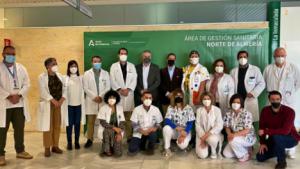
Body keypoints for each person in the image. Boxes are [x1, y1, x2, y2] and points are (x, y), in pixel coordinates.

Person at [263, 47, 300, 158]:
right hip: (273, 100)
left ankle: (291, 149)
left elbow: (298, 83)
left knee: (289, 125)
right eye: (278, 56)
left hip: (287, 101)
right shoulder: (268, 69)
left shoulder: (293, 68)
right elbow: (264, 83)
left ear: (285, 56)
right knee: (273, 124)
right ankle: (276, 147)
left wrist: (289, 93)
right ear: (274, 57)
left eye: (282, 56)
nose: (280, 58)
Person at [0, 46, 33, 166]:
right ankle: (0, 154)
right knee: (1, 130)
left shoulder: (21, 68)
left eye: (13, 54)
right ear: (3, 54)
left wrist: (18, 95)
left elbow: (27, 83)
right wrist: (9, 96)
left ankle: (20, 150)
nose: (11, 56)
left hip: (19, 104)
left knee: (19, 129)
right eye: (9, 54)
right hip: (4, 104)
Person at [256, 91, 300, 169]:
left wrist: (266, 132)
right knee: (260, 157)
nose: (275, 101)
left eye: (277, 99)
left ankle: (282, 162)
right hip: (273, 138)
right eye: (273, 99)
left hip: (291, 138)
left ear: (281, 99)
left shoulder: (290, 111)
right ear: (269, 100)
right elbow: (261, 128)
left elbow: (285, 131)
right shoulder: (265, 111)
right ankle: (280, 150)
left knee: (277, 137)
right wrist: (262, 143)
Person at [37, 57, 66, 157]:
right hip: (48, 103)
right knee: (48, 127)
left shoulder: (60, 76)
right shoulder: (42, 77)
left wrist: (61, 99)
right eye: (53, 64)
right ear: (47, 66)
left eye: (56, 63)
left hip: (59, 104)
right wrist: (53, 100)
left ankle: (55, 146)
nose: (56, 65)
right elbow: (43, 91)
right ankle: (47, 147)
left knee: (57, 126)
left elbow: (66, 88)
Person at [83, 55, 110, 148]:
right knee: (90, 122)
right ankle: (90, 139)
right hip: (91, 100)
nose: (96, 63)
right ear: (92, 62)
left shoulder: (106, 73)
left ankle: (105, 139)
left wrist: (101, 96)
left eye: (98, 61)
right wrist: (94, 97)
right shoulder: (87, 74)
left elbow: (108, 87)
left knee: (104, 121)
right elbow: (85, 87)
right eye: (95, 61)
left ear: (101, 62)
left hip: (102, 101)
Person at [110, 48, 137, 142]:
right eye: (121, 53)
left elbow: (134, 79)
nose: (123, 55)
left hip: (129, 94)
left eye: (125, 53)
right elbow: (112, 79)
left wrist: (128, 89)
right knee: (119, 117)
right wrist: (119, 90)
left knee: (129, 118)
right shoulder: (113, 66)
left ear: (127, 55)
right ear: (118, 55)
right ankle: (118, 137)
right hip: (119, 94)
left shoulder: (132, 66)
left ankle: (129, 137)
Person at [230, 50, 265, 122]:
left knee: (249, 121)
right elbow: (230, 85)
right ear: (237, 59)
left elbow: (262, 83)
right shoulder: (233, 71)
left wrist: (253, 93)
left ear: (247, 58)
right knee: (237, 120)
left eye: (244, 57)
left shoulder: (255, 69)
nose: (242, 59)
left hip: (250, 98)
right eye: (240, 57)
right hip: (237, 99)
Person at [223, 94, 256, 162]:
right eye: (234, 102)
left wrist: (233, 135)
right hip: (236, 137)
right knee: (226, 154)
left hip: (248, 137)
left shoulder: (246, 113)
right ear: (231, 103)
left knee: (233, 140)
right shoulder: (228, 114)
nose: (235, 104)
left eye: (238, 102)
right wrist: (229, 134)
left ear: (241, 104)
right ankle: (245, 149)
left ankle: (244, 155)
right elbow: (227, 126)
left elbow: (247, 130)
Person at [128, 91, 163, 156]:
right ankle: (142, 144)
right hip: (139, 132)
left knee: (153, 135)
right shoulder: (137, 109)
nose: (148, 100)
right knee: (132, 150)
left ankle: (150, 147)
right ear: (142, 99)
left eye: (150, 98)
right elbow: (133, 124)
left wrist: (154, 128)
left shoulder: (156, 109)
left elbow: (160, 123)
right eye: (146, 98)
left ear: (152, 99)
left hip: (151, 132)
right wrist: (142, 131)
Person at [162, 89, 195, 157]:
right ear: (174, 97)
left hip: (185, 131)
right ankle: (167, 148)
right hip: (175, 130)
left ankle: (185, 145)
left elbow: (190, 122)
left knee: (182, 146)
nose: (178, 97)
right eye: (176, 96)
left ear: (183, 97)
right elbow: (167, 120)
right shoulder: (171, 107)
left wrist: (185, 132)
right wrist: (176, 127)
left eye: (180, 96)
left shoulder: (188, 108)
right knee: (166, 128)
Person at [64, 60, 85, 150]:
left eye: (75, 66)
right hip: (69, 106)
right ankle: (69, 142)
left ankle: (76, 142)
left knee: (77, 124)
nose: (73, 68)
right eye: (72, 66)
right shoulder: (65, 78)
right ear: (69, 68)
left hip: (79, 105)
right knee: (69, 125)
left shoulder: (81, 78)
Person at [195, 92, 223, 159]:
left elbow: (219, 125)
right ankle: (207, 146)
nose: (206, 100)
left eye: (208, 98)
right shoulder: (199, 110)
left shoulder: (217, 110)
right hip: (201, 135)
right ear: (202, 100)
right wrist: (202, 138)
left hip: (212, 134)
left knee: (212, 139)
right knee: (202, 155)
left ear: (211, 100)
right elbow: (197, 126)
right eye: (204, 99)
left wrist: (205, 136)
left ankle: (213, 151)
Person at [97, 90, 126, 157]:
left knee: (118, 153)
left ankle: (114, 147)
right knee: (108, 131)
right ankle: (107, 148)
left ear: (116, 99)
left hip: (117, 130)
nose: (112, 99)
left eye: (113, 98)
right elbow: (103, 122)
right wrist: (114, 128)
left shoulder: (119, 108)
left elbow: (122, 122)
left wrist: (119, 133)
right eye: (110, 98)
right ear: (107, 99)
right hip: (107, 130)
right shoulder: (103, 108)